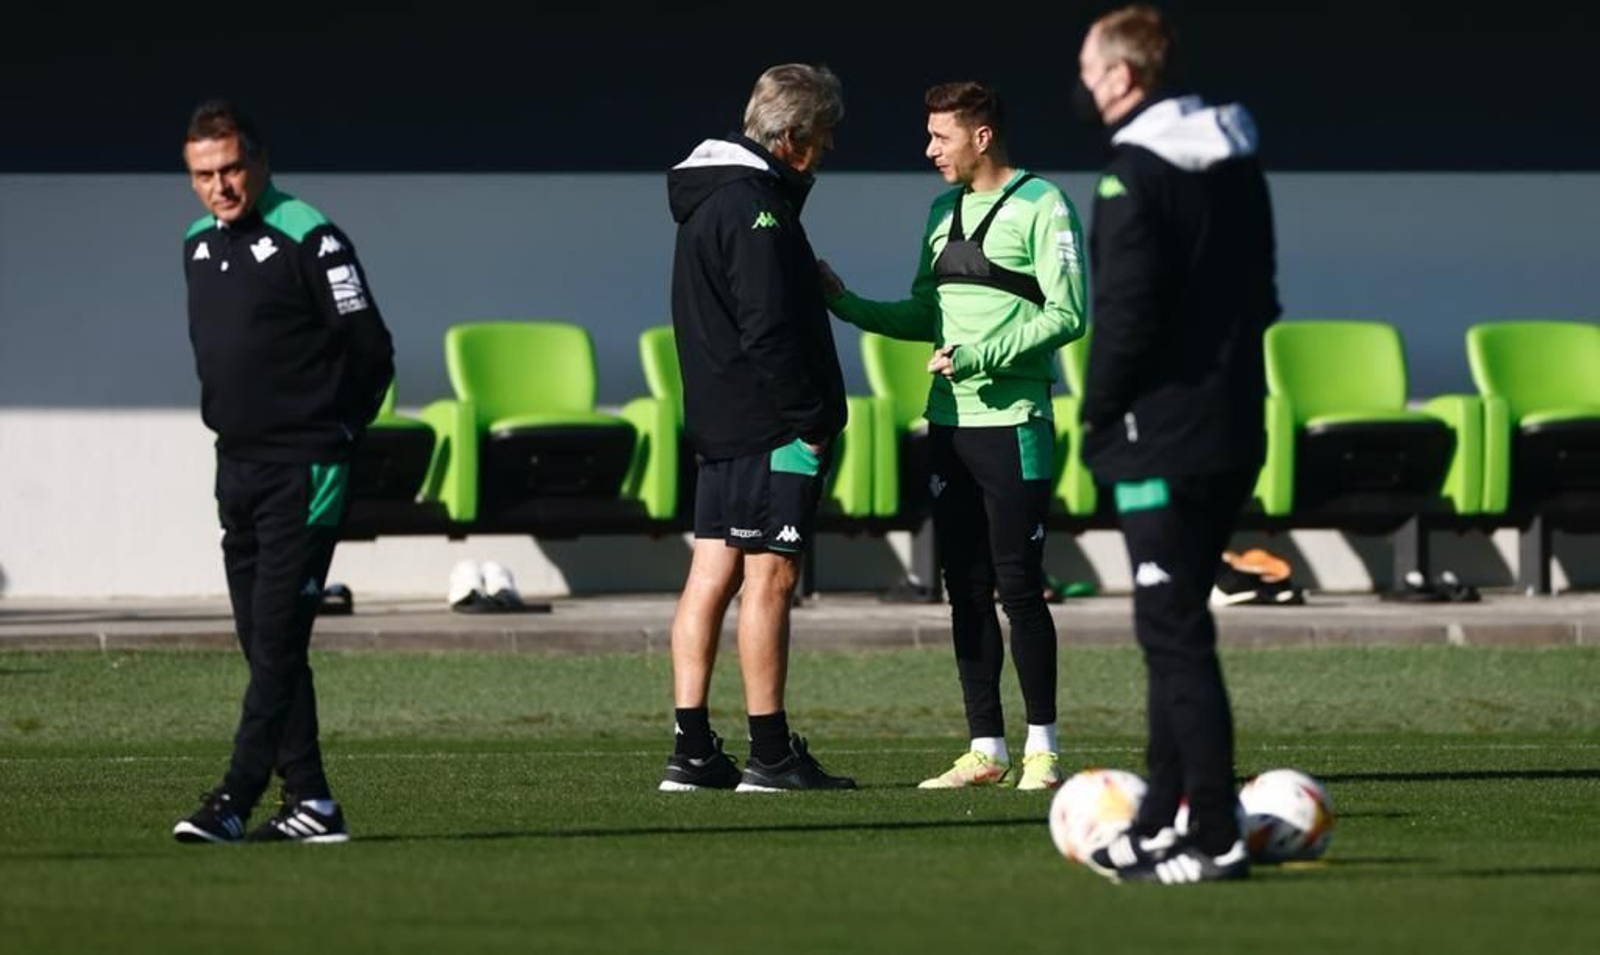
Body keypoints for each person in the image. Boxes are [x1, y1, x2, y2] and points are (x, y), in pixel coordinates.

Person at [819, 82, 1087, 791]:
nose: (929, 149)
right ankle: (986, 748)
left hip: (1015, 425)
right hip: (949, 426)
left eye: (941, 136)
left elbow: (1069, 314)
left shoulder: (1044, 205)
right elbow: (923, 313)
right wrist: (846, 304)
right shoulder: (940, 211)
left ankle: (1043, 750)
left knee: (1019, 588)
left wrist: (980, 356)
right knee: (962, 590)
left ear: (982, 136)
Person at [1070, 5, 1280, 883]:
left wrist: (1097, 412)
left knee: (1173, 634)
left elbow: (1124, 315)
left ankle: (1214, 831)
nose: (1082, 81)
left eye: (1089, 67)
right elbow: (1264, 295)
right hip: (1234, 427)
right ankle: (1162, 817)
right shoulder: (1240, 162)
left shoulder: (1131, 175)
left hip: (1158, 436)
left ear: (1125, 76)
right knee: (1175, 630)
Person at [172, 100, 394, 843]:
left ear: (259, 163)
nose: (220, 187)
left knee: (276, 636)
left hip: (306, 470)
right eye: (204, 174)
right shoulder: (197, 244)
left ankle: (234, 796)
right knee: (265, 642)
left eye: (231, 168)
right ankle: (312, 802)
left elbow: (373, 351)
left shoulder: (312, 237)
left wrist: (335, 431)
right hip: (235, 468)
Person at [658, 64, 856, 792]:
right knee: (770, 577)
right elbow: (768, 327)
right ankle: (769, 752)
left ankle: (692, 747)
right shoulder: (756, 206)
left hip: (720, 422)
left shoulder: (712, 197)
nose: (826, 152)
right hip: (770, 426)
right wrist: (810, 422)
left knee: (709, 575)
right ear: (795, 138)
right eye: (824, 137)